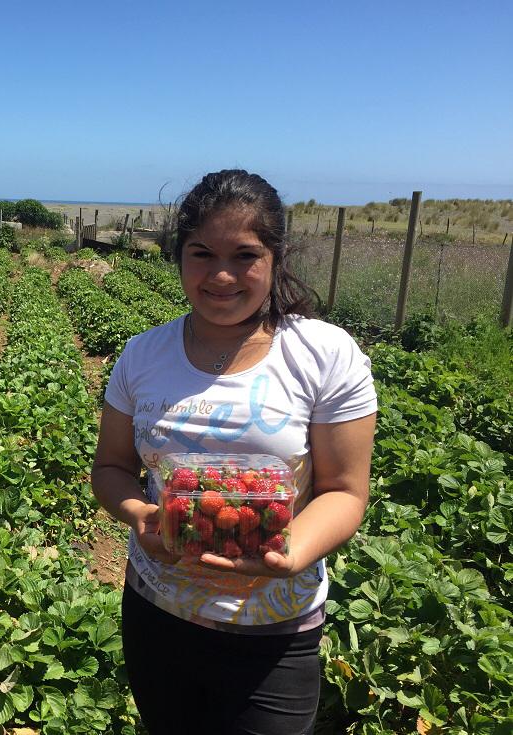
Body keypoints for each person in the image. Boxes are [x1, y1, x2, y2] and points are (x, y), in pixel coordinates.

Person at [91, 170, 377, 734]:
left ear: (275, 257)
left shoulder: (324, 354)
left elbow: (345, 491)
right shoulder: (142, 356)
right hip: (157, 611)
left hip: (275, 629)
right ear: (178, 258)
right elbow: (111, 468)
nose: (221, 275)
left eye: (244, 255)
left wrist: (290, 555)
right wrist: (141, 513)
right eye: (202, 253)